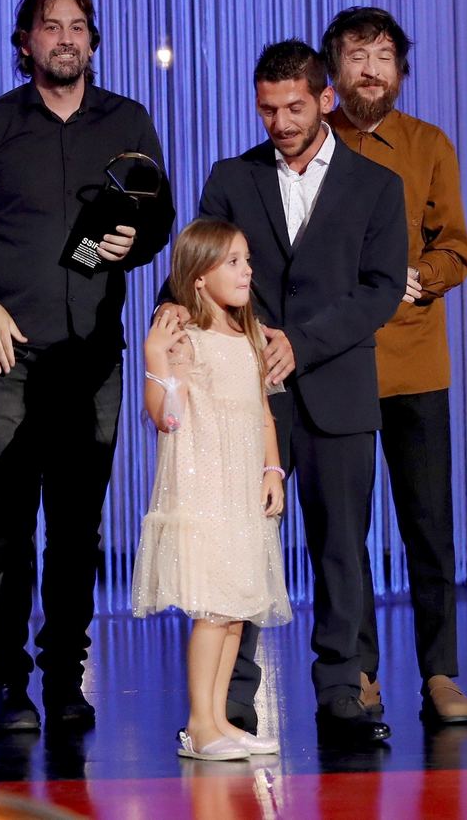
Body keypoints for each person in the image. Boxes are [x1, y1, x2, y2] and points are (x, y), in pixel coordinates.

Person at [0, 0, 172, 732]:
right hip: (9, 358)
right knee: (6, 525)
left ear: (92, 42)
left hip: (92, 358)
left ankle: (66, 678)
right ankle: (7, 684)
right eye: (50, 26)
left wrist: (142, 241)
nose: (65, 38)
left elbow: (158, 217)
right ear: (25, 42)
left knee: (78, 528)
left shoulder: (127, 120)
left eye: (78, 27)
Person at [171, 40, 411, 746]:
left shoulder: (375, 185)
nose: (279, 121)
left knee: (342, 546)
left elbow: (378, 291)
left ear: (326, 99)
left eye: (294, 107)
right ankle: (230, 702)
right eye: (268, 109)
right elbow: (198, 265)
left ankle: (343, 688)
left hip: (336, 387)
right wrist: (173, 307)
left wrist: (300, 343)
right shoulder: (232, 177)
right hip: (244, 403)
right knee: (239, 546)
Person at [319, 6, 467, 726]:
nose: (371, 69)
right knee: (342, 531)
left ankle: (440, 672)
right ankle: (358, 672)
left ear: (402, 70)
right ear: (332, 70)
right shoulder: (312, 147)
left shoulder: (428, 143)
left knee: (428, 526)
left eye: (383, 56)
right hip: (337, 365)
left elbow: (457, 247)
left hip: (416, 362)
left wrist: (425, 275)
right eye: (356, 56)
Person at [133, 218, 290, 761]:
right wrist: (157, 362)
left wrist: (273, 470)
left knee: (236, 609)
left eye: (247, 260)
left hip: (242, 489)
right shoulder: (187, 340)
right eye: (232, 262)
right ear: (199, 277)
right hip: (203, 489)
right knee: (212, 610)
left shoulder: (248, 335)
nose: (246, 271)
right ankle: (200, 724)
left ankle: (220, 718)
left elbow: (263, 412)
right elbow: (165, 417)